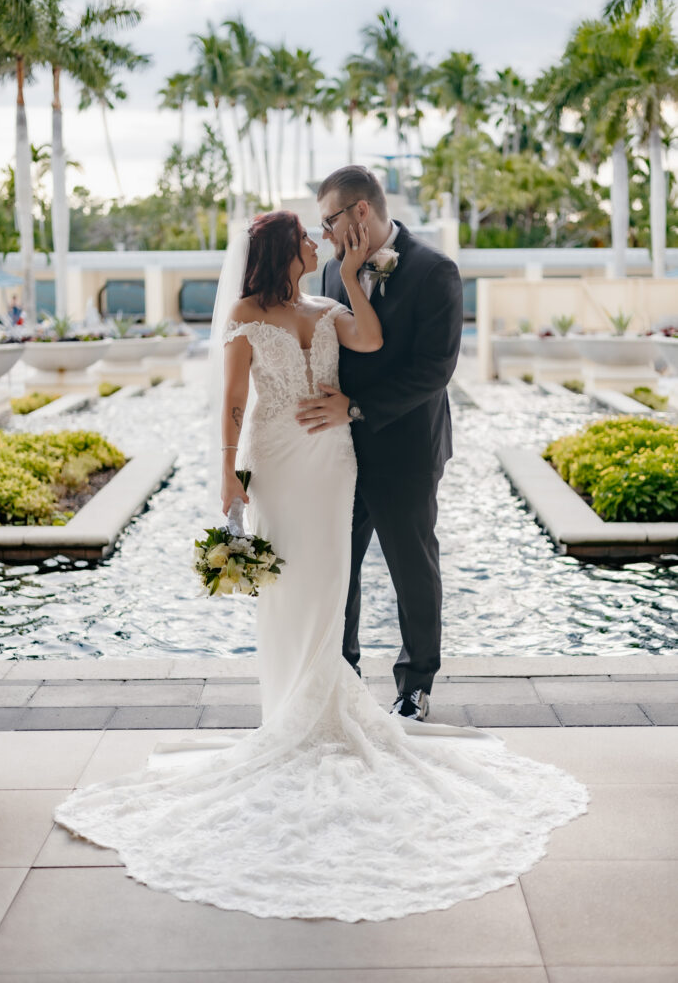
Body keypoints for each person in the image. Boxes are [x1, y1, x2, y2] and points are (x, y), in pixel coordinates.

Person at [54, 208, 588, 923]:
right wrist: (228, 475)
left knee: (331, 586)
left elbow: (368, 339)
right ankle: (286, 712)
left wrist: (350, 282)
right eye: (307, 238)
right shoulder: (245, 313)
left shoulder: (330, 304)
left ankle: (327, 705)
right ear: (281, 249)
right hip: (275, 463)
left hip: (332, 463)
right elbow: (235, 404)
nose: (318, 242)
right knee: (288, 590)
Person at [300, 166, 460, 722]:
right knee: (336, 567)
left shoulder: (435, 270)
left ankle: (415, 686)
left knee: (410, 567)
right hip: (340, 452)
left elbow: (435, 370)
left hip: (407, 450)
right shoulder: (326, 273)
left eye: (329, 220)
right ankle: (341, 678)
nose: (323, 234)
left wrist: (358, 408)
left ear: (360, 212)